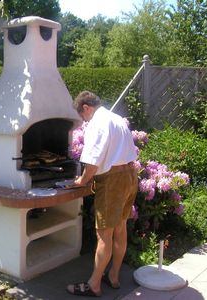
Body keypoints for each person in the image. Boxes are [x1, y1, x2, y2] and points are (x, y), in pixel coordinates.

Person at [66, 91, 138, 297]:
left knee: (104, 234)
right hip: (130, 175)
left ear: (86, 108)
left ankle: (94, 284)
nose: (83, 120)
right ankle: (113, 276)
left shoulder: (97, 122)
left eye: (82, 115)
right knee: (120, 228)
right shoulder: (116, 118)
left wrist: (81, 181)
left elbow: (93, 162)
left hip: (113, 181)